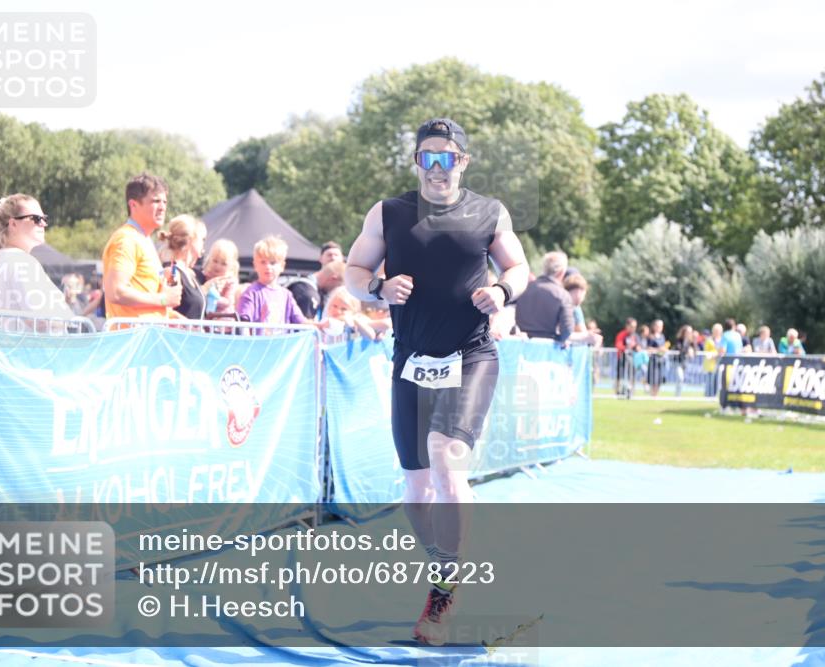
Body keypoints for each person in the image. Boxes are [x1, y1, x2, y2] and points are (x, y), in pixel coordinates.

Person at [344, 118, 529, 645]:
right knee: (416, 490)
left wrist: (504, 291)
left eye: (446, 157)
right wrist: (379, 288)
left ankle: (444, 589)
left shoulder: (490, 212)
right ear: (417, 163)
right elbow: (355, 271)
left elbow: (519, 268)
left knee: (447, 456)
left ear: (462, 162)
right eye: (427, 157)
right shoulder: (389, 212)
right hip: (411, 360)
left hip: (471, 356)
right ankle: (447, 564)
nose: (437, 167)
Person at [0, 194, 74, 332]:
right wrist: (67, 316)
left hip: (16, 349)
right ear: (13, 224)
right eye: (36, 219)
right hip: (35, 350)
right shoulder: (20, 262)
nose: (43, 224)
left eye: (44, 218)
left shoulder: (4, 258)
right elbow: (40, 318)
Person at [102, 174, 183, 321]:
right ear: (133, 205)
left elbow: (149, 305)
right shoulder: (126, 239)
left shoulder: (144, 239)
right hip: (133, 340)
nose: (163, 207)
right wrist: (164, 299)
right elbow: (115, 292)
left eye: (165, 201)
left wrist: (187, 324)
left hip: (147, 338)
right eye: (156, 201)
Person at [515, 251, 600, 346]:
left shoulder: (523, 288)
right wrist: (559, 339)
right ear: (561, 272)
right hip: (547, 350)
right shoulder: (563, 295)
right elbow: (566, 331)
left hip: (521, 347)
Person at [237, 235, 310, 334]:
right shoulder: (250, 293)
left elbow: (301, 321)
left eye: (273, 262)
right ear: (255, 265)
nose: (267, 267)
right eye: (263, 262)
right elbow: (242, 326)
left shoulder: (286, 295)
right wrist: (261, 319)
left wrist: (319, 325)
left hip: (280, 347)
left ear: (282, 266)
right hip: (258, 347)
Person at [158, 215, 208, 320]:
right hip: (179, 335)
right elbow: (165, 311)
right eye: (202, 239)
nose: (204, 244)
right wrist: (189, 326)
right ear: (191, 240)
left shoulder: (190, 273)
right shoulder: (173, 272)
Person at [201, 239, 240, 315]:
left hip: (223, 318)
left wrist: (213, 299)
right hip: (207, 317)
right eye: (215, 261)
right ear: (209, 259)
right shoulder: (204, 276)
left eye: (224, 264)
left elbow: (228, 301)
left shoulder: (229, 281)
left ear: (231, 266)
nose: (218, 266)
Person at [614, 318, 639, 395]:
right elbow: (618, 345)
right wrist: (627, 347)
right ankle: (617, 391)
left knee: (632, 375)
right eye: (632, 326)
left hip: (632, 359)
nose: (633, 328)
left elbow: (638, 345)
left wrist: (637, 347)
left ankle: (631, 391)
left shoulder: (635, 336)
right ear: (627, 326)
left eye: (635, 327)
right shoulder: (621, 334)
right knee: (619, 376)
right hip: (622, 358)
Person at [646, 319, 669, 397]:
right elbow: (648, 349)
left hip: (661, 360)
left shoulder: (662, 336)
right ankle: (652, 395)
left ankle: (656, 395)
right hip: (653, 360)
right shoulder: (651, 336)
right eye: (658, 326)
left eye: (661, 326)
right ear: (654, 326)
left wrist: (664, 349)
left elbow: (663, 348)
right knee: (653, 379)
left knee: (659, 379)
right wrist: (658, 349)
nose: (660, 328)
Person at [702, 323, 724, 396]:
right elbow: (706, 350)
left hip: (719, 363)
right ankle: (708, 395)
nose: (717, 332)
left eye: (718, 331)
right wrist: (714, 353)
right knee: (709, 382)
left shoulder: (723, 340)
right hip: (710, 364)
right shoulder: (709, 340)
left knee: (716, 382)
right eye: (715, 330)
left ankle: (714, 395)